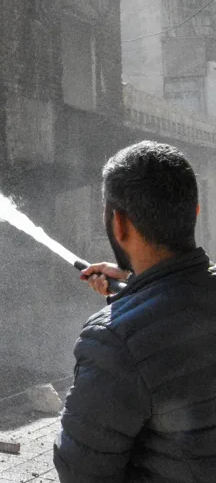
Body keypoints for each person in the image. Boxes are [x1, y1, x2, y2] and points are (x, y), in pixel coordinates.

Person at [54, 141, 216, 482]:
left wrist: (134, 309)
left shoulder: (113, 342)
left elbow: (81, 472)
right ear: (196, 213)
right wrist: (137, 286)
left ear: (120, 224)